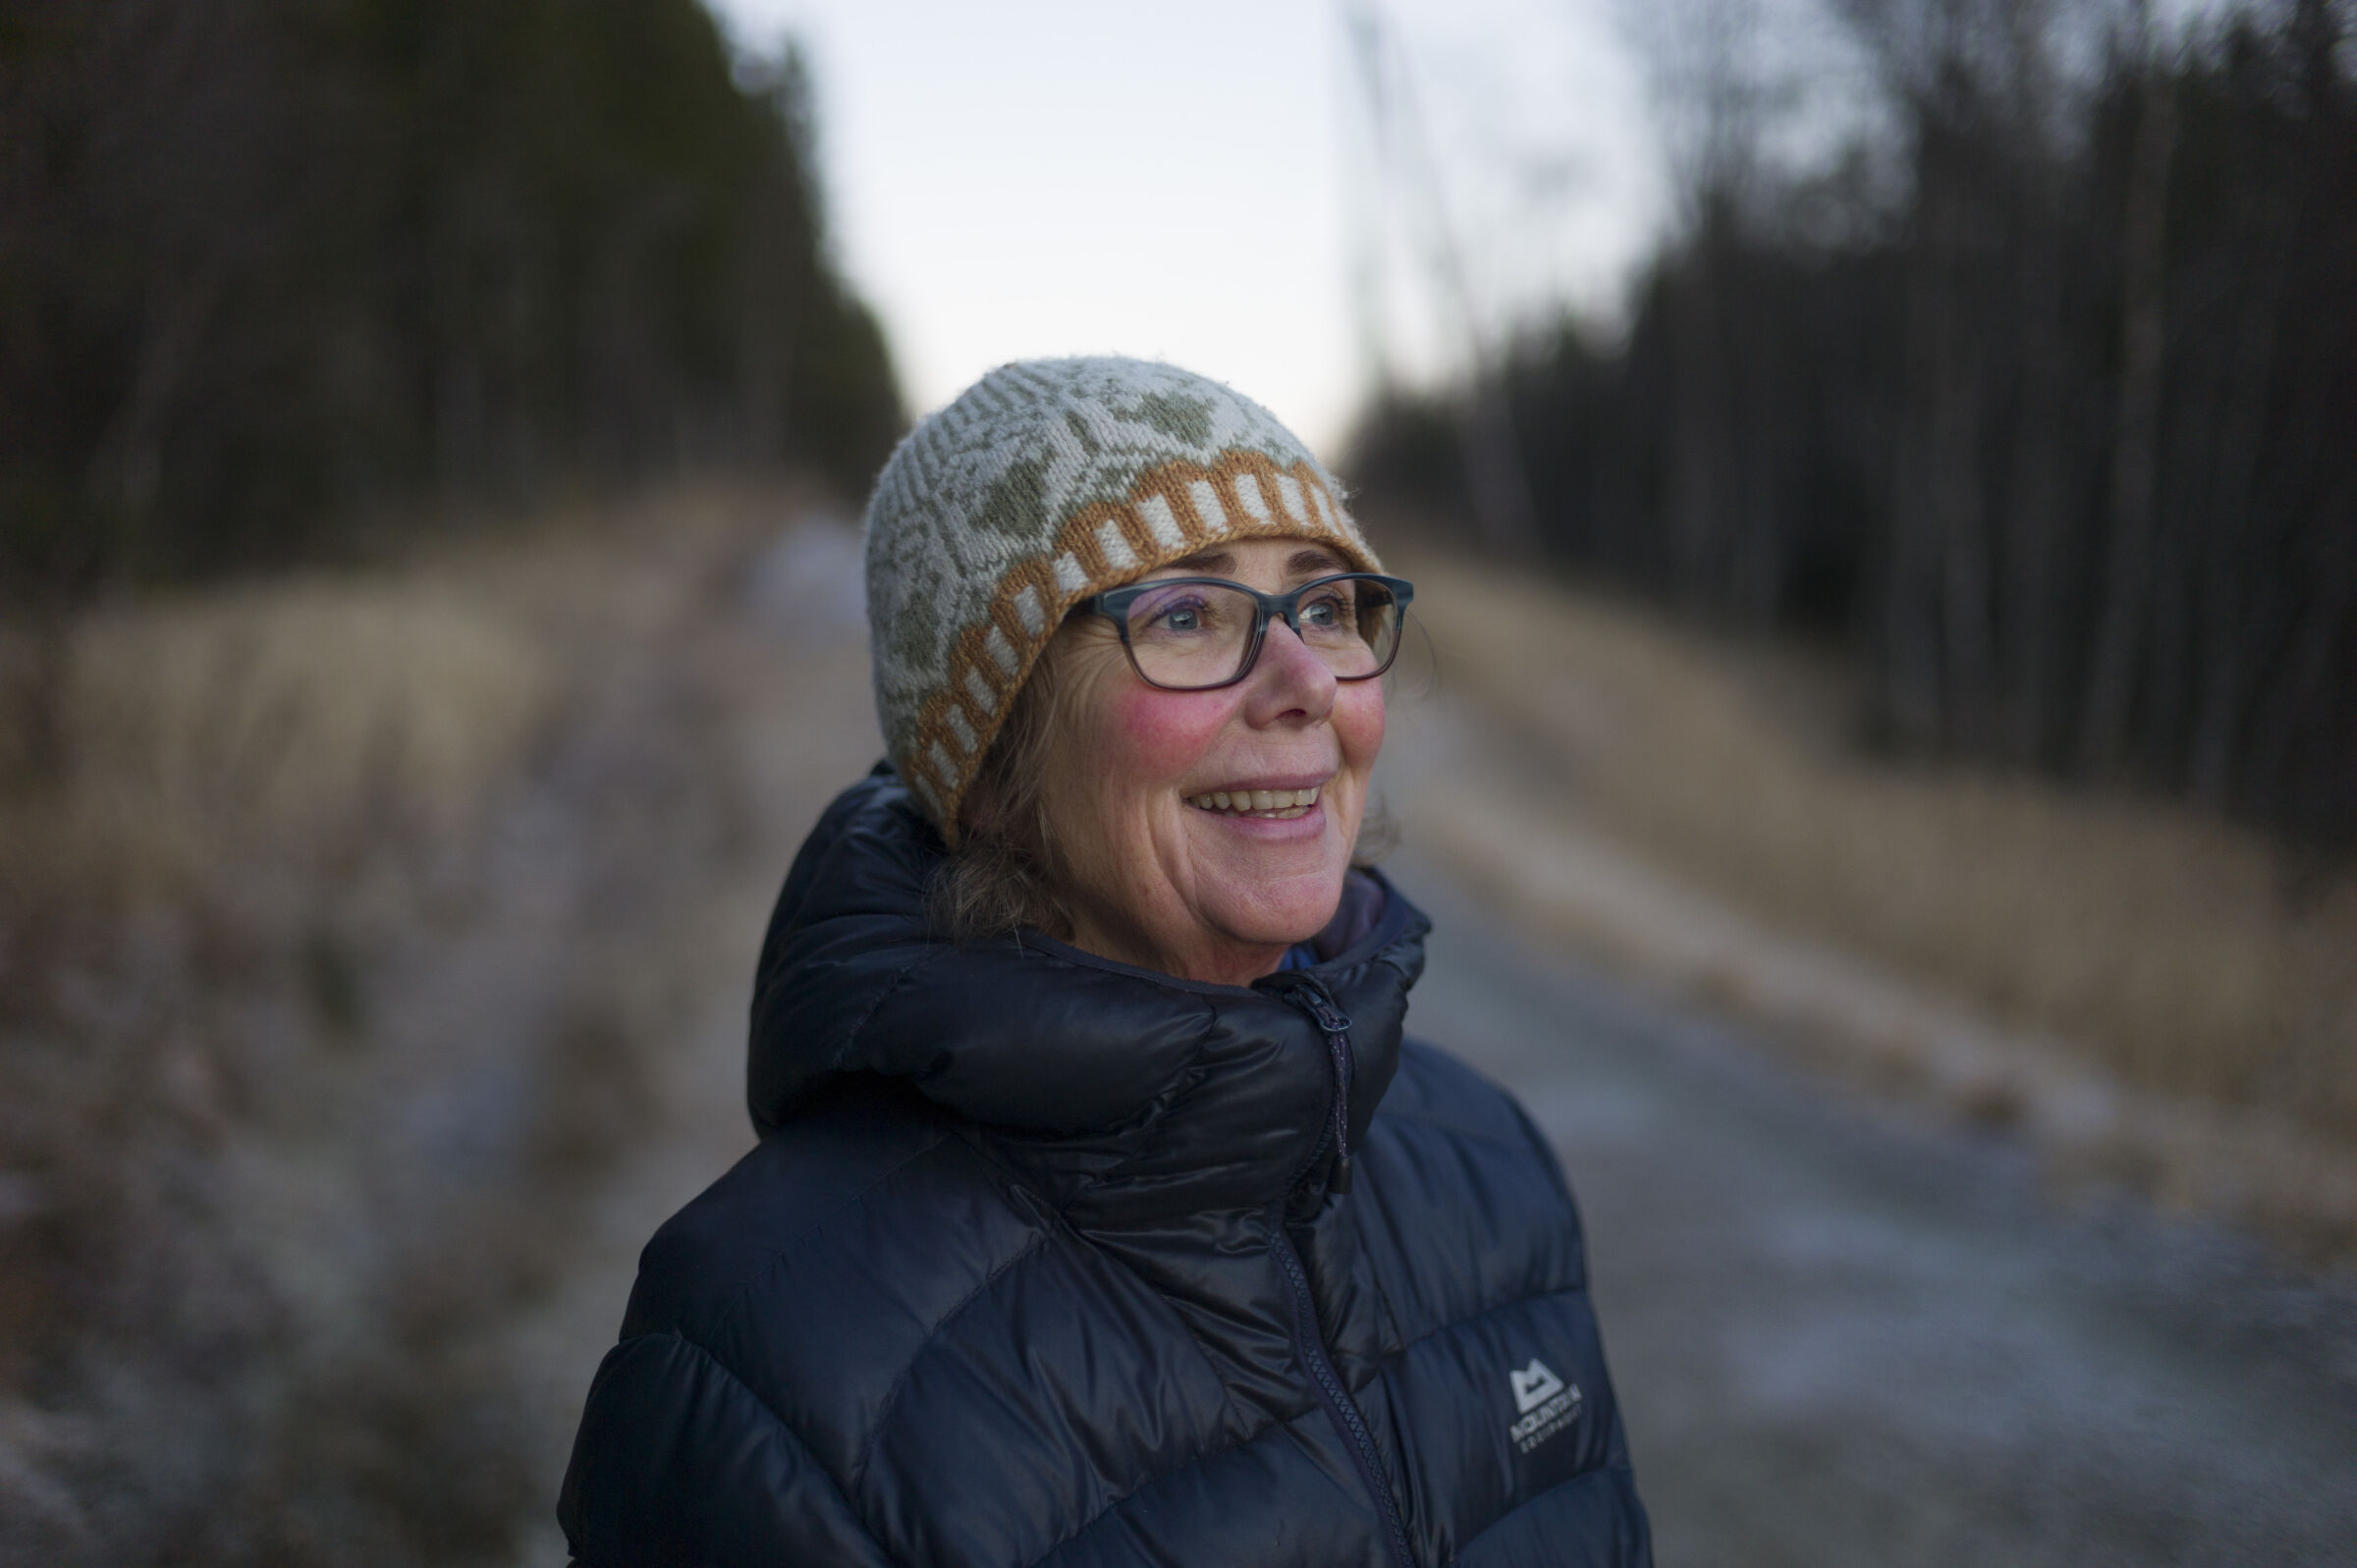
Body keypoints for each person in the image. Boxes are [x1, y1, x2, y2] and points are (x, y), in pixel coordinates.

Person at [558, 357, 1651, 1567]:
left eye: (1328, 605)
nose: (1306, 684)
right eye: (1185, 616)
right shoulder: (763, 1378)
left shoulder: (1493, 1165)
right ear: (994, 756)